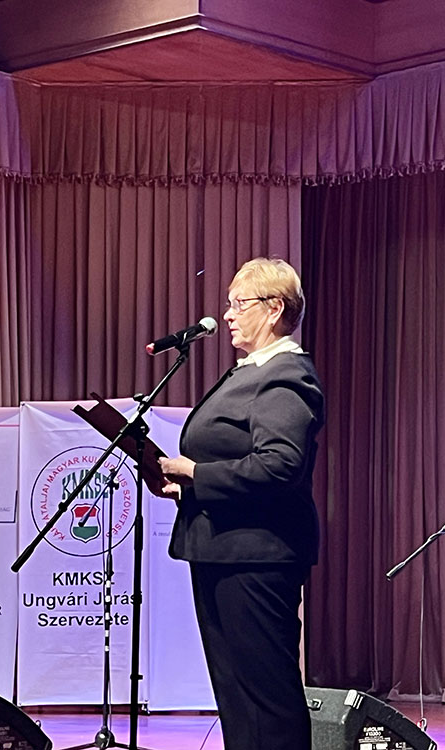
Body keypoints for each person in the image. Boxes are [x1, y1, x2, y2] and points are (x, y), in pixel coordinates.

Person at [160, 257, 324, 750]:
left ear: (274, 308)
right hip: (221, 549)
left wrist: (197, 474)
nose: (228, 314)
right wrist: (189, 488)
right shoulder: (248, 372)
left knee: (266, 695)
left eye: (239, 303)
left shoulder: (285, 375)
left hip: (257, 557)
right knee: (235, 694)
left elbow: (281, 465)